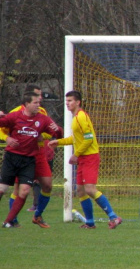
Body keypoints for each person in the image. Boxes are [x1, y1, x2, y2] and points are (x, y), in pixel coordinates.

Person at [48, 91, 123, 229]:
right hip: (83, 157)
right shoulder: (75, 118)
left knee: (90, 189)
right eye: (66, 101)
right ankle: (90, 222)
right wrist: (58, 142)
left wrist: (76, 154)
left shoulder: (81, 117)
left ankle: (114, 217)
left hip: (90, 156)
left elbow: (89, 139)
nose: (67, 103)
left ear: (78, 102)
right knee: (81, 190)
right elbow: (76, 139)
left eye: (70, 100)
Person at [0, 92, 63, 228]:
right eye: (35, 102)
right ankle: (12, 221)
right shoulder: (15, 115)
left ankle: (8, 222)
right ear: (26, 104)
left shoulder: (42, 118)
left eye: (39, 102)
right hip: (12, 158)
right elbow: (2, 125)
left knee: (25, 190)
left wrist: (56, 131)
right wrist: (7, 138)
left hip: (29, 160)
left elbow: (57, 132)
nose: (38, 105)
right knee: (2, 189)